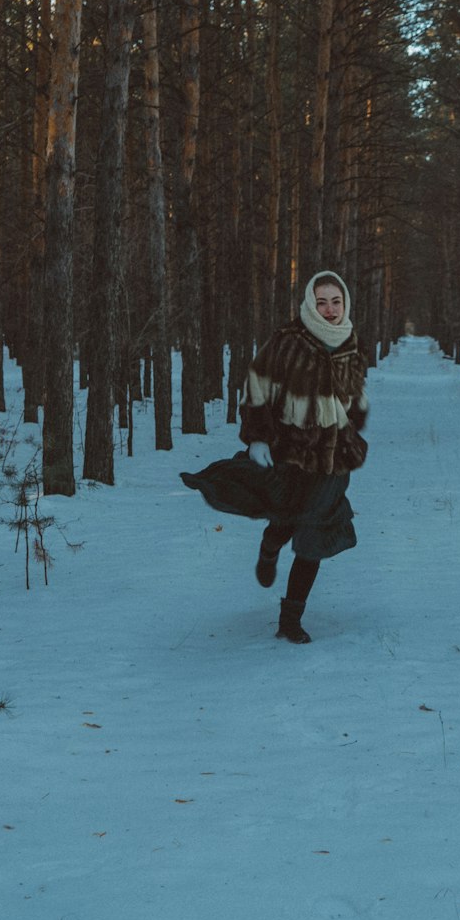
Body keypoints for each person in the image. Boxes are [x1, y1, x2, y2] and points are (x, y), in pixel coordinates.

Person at [181, 270, 369, 643]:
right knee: (286, 517)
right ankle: (270, 547)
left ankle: (290, 620)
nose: (330, 309)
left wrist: (352, 417)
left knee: (313, 535)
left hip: (333, 462)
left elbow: (355, 394)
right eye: (322, 302)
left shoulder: (350, 342)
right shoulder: (287, 342)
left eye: (336, 301)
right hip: (293, 453)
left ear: (345, 303)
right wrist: (257, 439)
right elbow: (257, 388)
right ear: (309, 304)